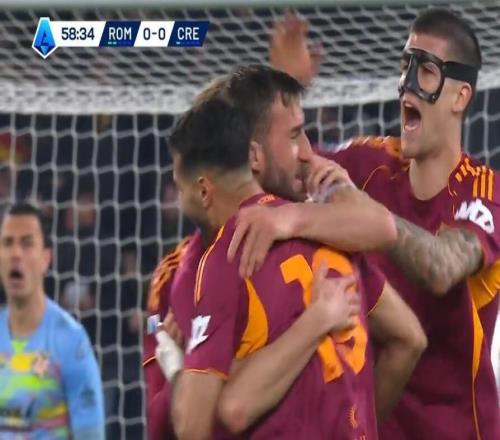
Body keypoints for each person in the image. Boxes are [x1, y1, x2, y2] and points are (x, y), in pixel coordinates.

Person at [231, 7, 499, 439]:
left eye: (426, 72)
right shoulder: (370, 162)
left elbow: (442, 267)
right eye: (405, 67)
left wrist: (363, 214)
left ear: (460, 97)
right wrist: (284, 88)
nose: (407, 85)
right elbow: (280, 168)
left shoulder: (486, 192)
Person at [144, 66, 425, 438]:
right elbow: (409, 339)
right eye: (295, 135)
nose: (309, 152)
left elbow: (188, 422)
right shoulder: (332, 238)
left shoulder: (191, 269)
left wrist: (182, 371)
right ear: (252, 155)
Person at [0, 203, 105, 439]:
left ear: (46, 258)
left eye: (26, 244)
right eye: (7, 243)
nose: (16, 254)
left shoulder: (71, 342)